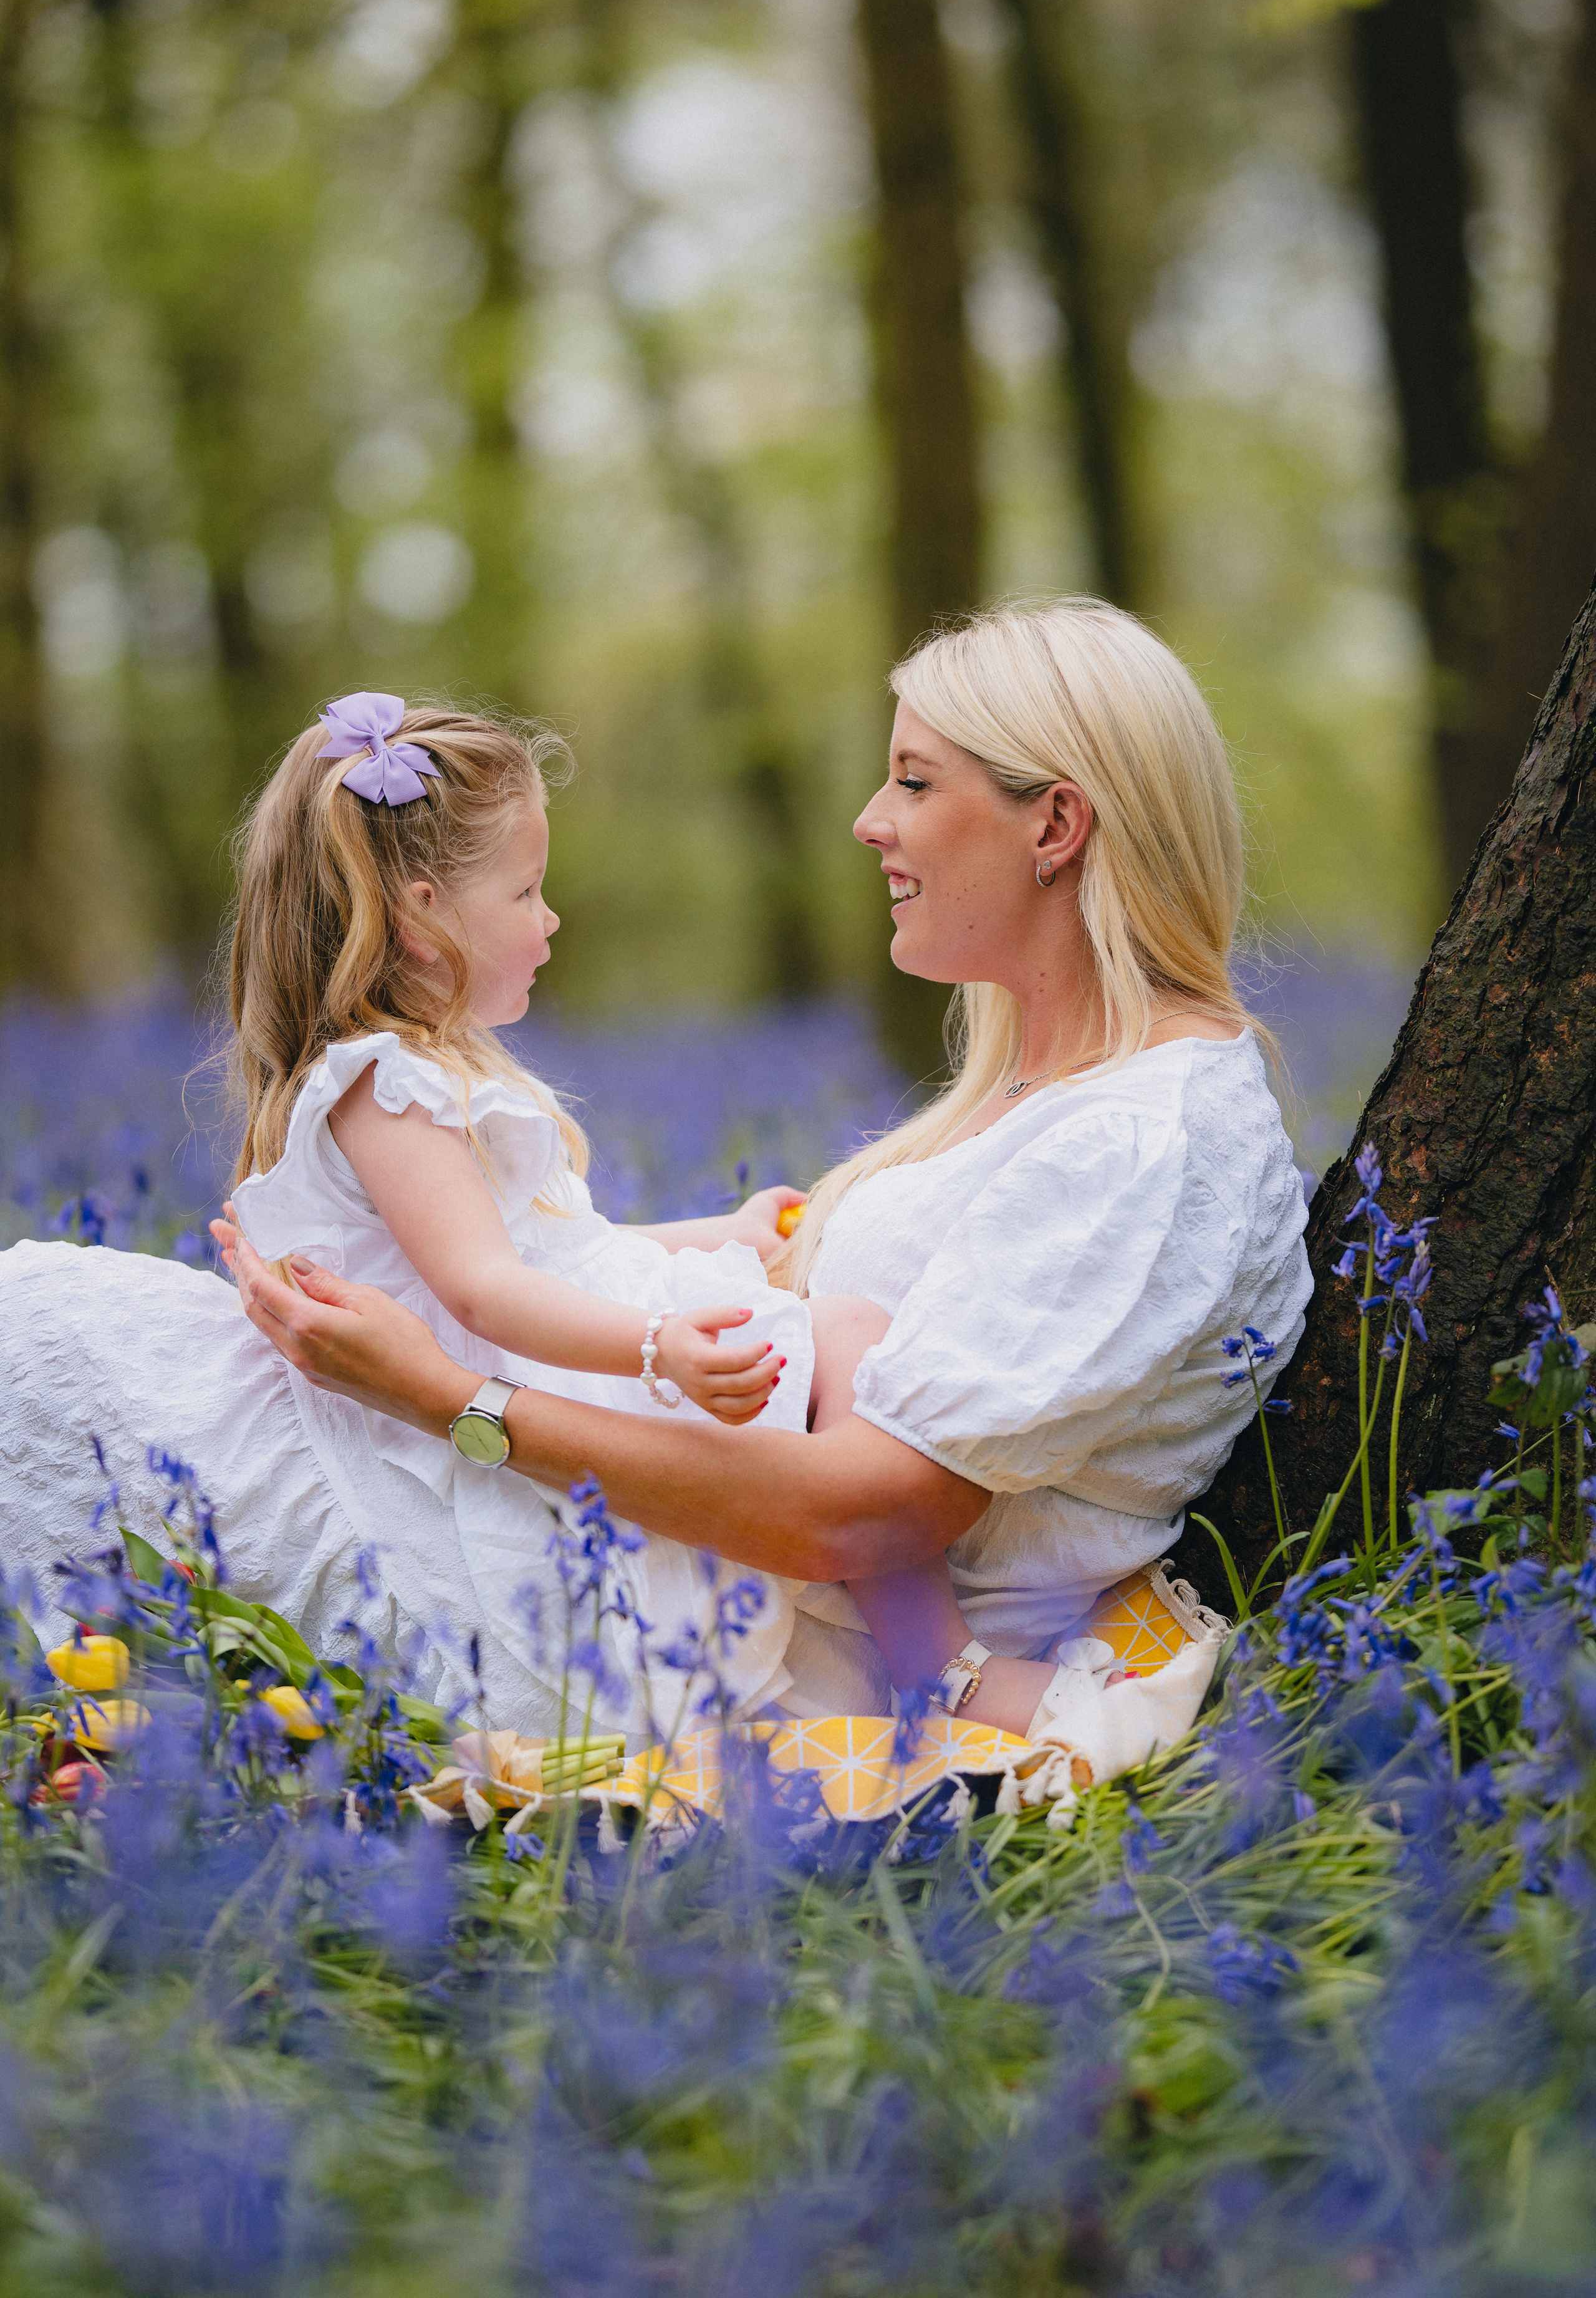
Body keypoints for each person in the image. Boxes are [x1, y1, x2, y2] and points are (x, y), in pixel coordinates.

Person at [211, 599, 1314, 1746]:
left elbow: (861, 1513)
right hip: (668, 1564)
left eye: (916, 783)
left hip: (731, 1631)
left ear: (1057, 827)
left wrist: (449, 1399)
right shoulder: (1057, 1097)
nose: (868, 821)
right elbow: (547, 1265)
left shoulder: (1138, 1142)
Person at [0, 693, 896, 1741]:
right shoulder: (387, 1086)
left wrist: (720, 1234)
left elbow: (549, 1252)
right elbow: (485, 1289)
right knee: (802, 1393)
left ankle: (939, 1643)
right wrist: (655, 1348)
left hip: (516, 1369)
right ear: (424, 917)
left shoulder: (434, 1076)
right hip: (459, 1405)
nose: (551, 917)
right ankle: (948, 1660)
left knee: (812, 1379)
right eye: (526, 891)